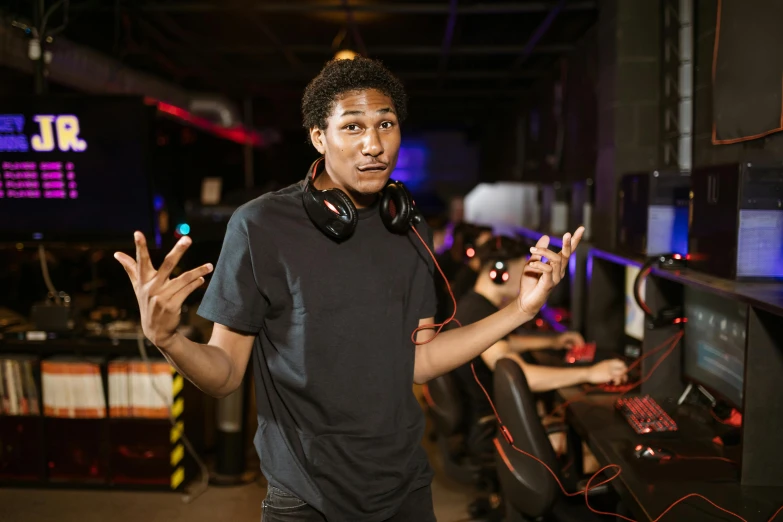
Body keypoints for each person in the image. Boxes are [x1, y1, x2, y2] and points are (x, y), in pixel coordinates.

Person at [114, 56, 584, 522]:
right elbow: (224, 375)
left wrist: (521, 311)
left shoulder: (409, 226)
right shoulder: (260, 226)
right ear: (320, 137)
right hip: (304, 499)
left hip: (405, 491)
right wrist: (169, 338)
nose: (374, 145)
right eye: (354, 127)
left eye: (386, 124)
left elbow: (421, 361)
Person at [450, 236, 627, 458]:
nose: (531, 278)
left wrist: (553, 341)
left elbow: (502, 343)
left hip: (484, 419)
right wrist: (590, 373)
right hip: (494, 430)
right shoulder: (479, 313)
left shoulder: (473, 305)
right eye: (526, 270)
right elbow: (524, 376)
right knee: (594, 453)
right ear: (499, 272)